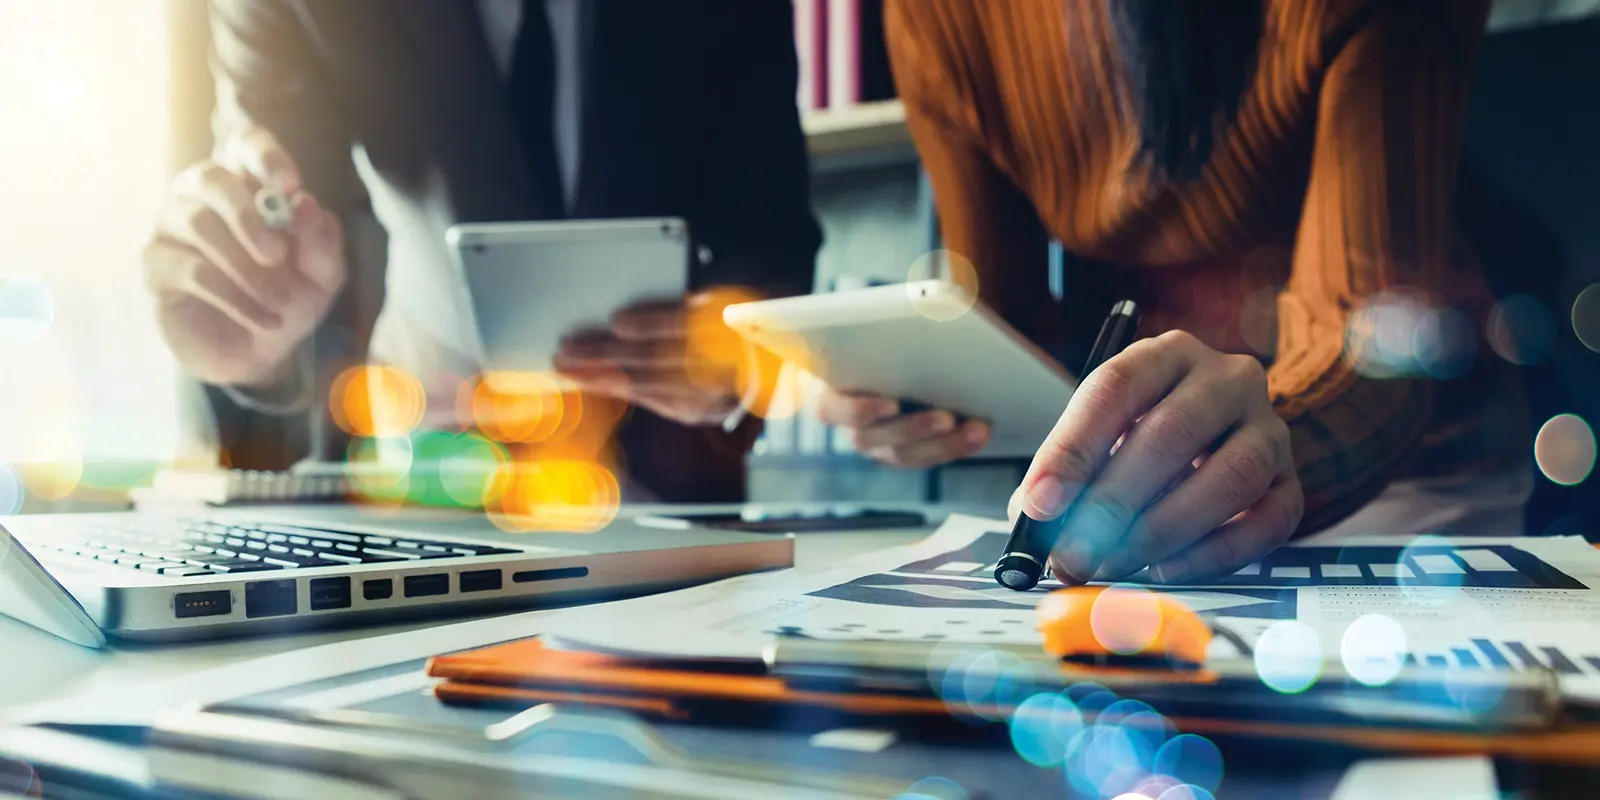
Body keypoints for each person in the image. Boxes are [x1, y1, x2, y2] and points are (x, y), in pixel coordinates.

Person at [821, 0, 1528, 582]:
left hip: (1396, 480)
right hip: (1134, 492)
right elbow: (1004, 317)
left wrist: (1261, 446)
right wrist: (917, 386)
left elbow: (1376, 338)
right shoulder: (933, 14)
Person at [143, 0, 820, 502]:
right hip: (419, 476)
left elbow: (770, 235)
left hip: (671, 498)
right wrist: (254, 331)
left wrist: (734, 364)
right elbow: (283, 228)